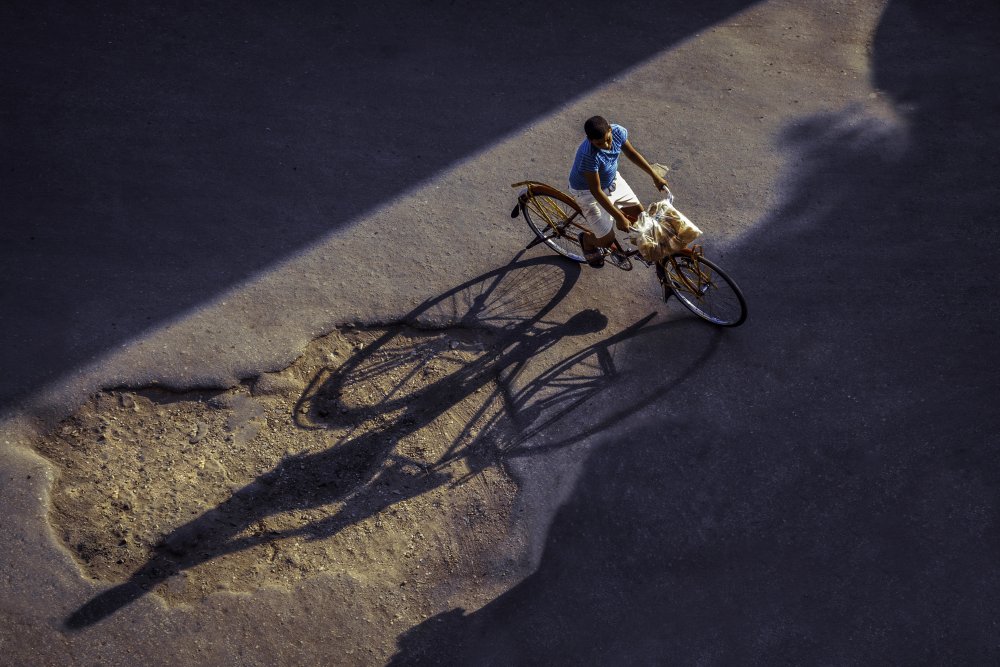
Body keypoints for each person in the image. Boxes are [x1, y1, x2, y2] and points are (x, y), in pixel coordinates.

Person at [568, 116, 669, 267]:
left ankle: (647, 251)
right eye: (599, 143)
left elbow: (632, 154)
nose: (606, 145)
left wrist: (655, 176)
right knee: (607, 239)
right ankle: (587, 241)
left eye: (607, 139)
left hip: (611, 179)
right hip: (588, 192)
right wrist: (619, 217)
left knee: (640, 215)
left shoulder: (618, 132)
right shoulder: (587, 155)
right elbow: (596, 191)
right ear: (590, 140)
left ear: (610, 130)